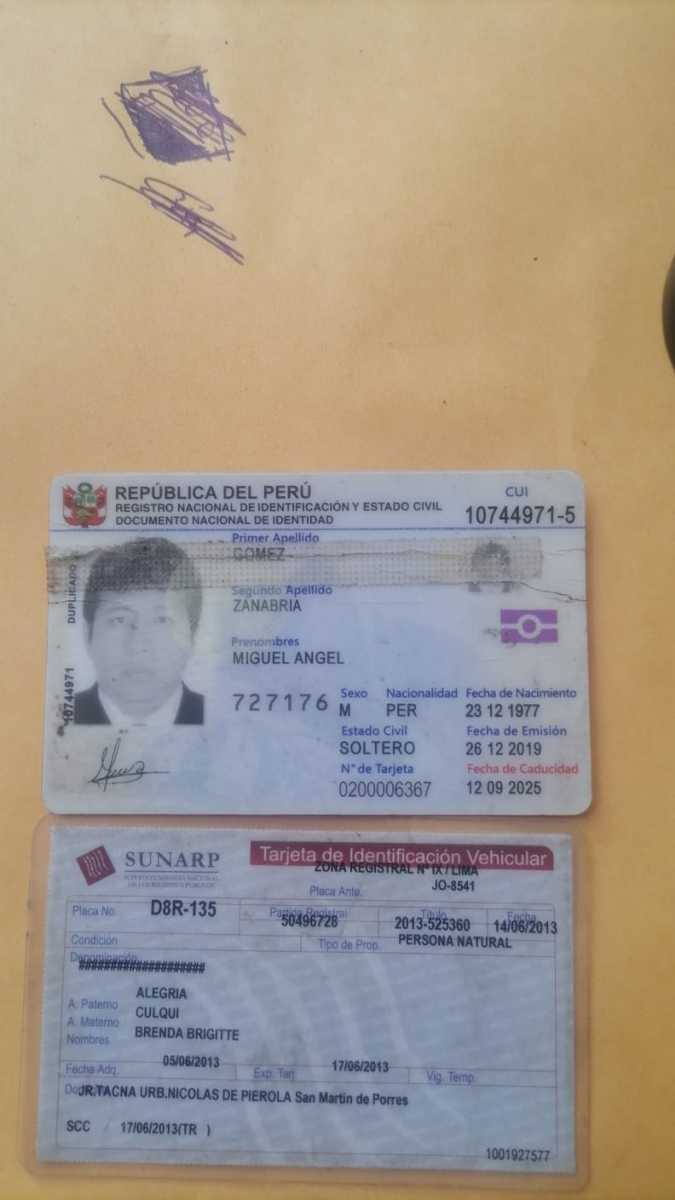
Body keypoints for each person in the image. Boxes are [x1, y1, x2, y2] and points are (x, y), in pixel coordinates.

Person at [74, 538, 204, 725]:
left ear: (192, 636)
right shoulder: (58, 714)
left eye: (162, 620)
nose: (138, 646)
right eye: (119, 620)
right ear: (88, 636)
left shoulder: (222, 716)